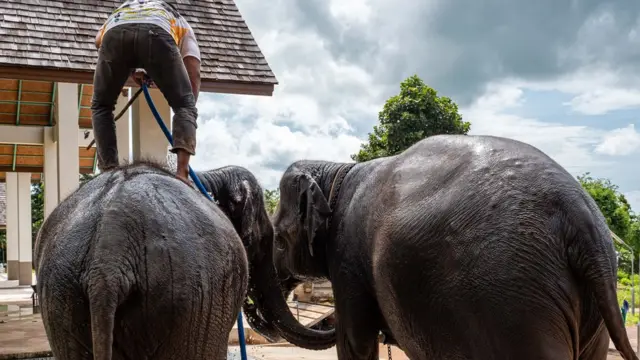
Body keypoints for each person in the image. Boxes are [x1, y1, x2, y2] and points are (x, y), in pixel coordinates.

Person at [92, 0, 201, 184]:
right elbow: (194, 73)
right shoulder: (181, 23)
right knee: (185, 105)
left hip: (114, 32)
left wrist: (131, 67)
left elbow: (98, 41)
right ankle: (182, 174)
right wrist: (188, 108)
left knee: (101, 106)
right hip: (157, 31)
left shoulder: (123, 9)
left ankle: (108, 171)